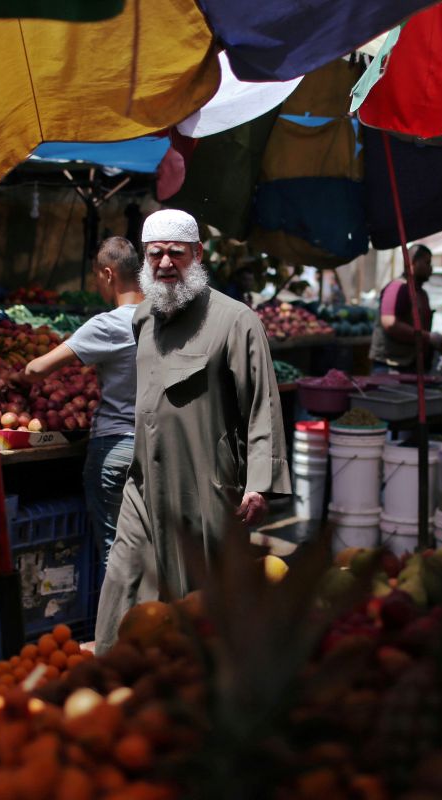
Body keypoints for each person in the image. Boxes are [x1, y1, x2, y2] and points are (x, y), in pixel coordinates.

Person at [95, 209, 291, 653]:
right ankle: (108, 675)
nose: (165, 263)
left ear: (197, 254)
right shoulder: (143, 319)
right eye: (155, 254)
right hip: (143, 485)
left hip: (204, 487)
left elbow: (262, 404)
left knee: (196, 606)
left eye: (176, 254)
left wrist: (259, 483)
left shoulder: (236, 321)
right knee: (123, 583)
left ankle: (193, 693)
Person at [23, 237, 144, 565]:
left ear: (108, 274)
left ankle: (120, 618)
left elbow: (37, 369)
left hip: (115, 447)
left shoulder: (110, 324)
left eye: (96, 278)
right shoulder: (164, 319)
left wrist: (14, 379)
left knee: (115, 554)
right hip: (156, 448)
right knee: (148, 552)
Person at [369, 244, 442, 373]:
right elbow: (390, 323)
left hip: (412, 366)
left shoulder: (422, 294)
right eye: (427, 263)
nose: (431, 268)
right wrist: (427, 337)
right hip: (392, 366)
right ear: (413, 263)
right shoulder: (397, 288)